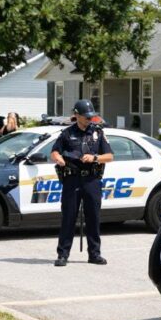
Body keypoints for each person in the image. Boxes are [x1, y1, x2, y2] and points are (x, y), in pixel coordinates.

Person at [51, 99, 114, 266]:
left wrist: (94, 157)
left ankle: (94, 254)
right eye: (86, 116)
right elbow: (55, 152)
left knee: (93, 217)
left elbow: (109, 156)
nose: (89, 119)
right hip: (72, 179)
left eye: (91, 116)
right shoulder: (66, 134)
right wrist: (59, 159)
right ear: (76, 115)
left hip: (91, 179)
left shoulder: (98, 133)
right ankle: (63, 255)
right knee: (68, 217)